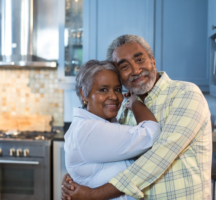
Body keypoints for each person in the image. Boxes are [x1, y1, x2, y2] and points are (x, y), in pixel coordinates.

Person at [62, 35, 212, 200]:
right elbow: (112, 157)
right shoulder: (128, 108)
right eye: (124, 66)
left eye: (140, 60)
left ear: (152, 61)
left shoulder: (185, 94)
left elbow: (159, 157)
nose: (135, 70)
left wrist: (93, 193)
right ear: (120, 75)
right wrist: (79, 176)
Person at [64, 59, 162, 200]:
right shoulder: (89, 130)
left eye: (117, 89)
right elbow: (151, 133)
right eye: (103, 90)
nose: (114, 96)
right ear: (84, 94)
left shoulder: (94, 125)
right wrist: (135, 102)